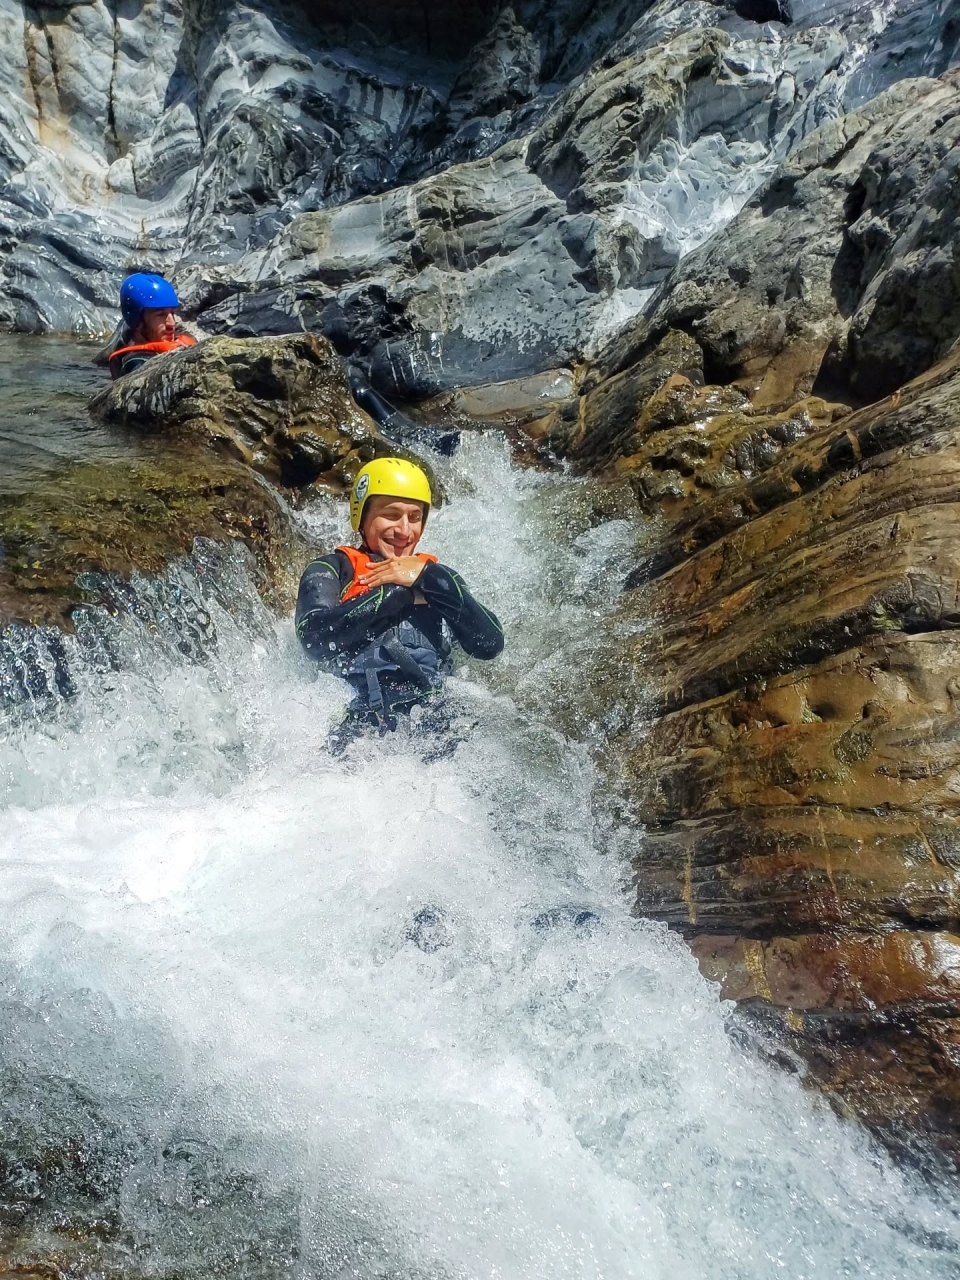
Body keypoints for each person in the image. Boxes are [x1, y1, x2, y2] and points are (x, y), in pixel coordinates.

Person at [295, 457, 504, 742]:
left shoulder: (439, 580)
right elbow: (313, 639)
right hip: (359, 721)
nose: (404, 531)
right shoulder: (332, 570)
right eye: (391, 515)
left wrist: (429, 579)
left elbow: (489, 644)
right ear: (362, 516)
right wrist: (398, 595)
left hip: (433, 716)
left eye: (415, 518)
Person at [107, 273, 196, 379]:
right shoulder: (135, 364)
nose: (171, 323)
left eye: (172, 313)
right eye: (160, 315)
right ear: (138, 322)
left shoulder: (180, 344)